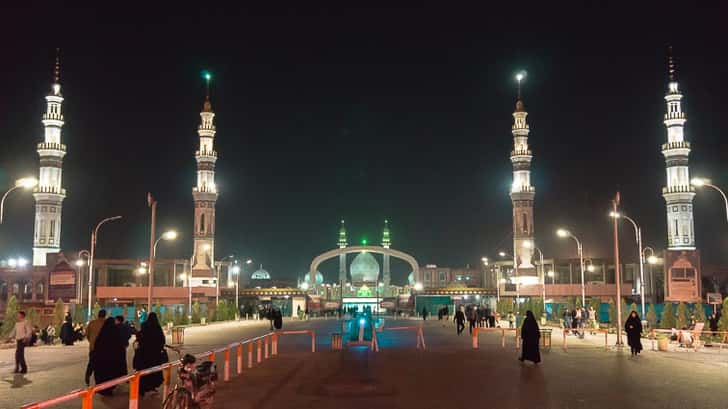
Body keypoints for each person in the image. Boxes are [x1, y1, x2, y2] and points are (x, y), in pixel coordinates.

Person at [133, 312, 167, 396]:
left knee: (143, 371)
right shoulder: (157, 327)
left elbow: (139, 336)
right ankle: (152, 386)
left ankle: (142, 389)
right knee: (153, 371)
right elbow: (162, 340)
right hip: (154, 355)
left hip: (143, 354)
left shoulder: (144, 325)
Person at [92, 317, 127, 395]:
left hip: (102, 361)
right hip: (112, 362)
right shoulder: (117, 335)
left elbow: (96, 348)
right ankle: (109, 388)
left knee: (102, 375)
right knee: (111, 375)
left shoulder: (102, 334)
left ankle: (102, 388)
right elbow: (121, 349)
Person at [85, 309, 107, 385]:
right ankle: (99, 381)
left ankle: (88, 375)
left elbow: (87, 334)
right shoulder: (106, 324)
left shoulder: (92, 323)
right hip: (103, 348)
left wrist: (91, 341)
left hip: (93, 347)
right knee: (101, 365)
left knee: (91, 362)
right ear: (105, 315)